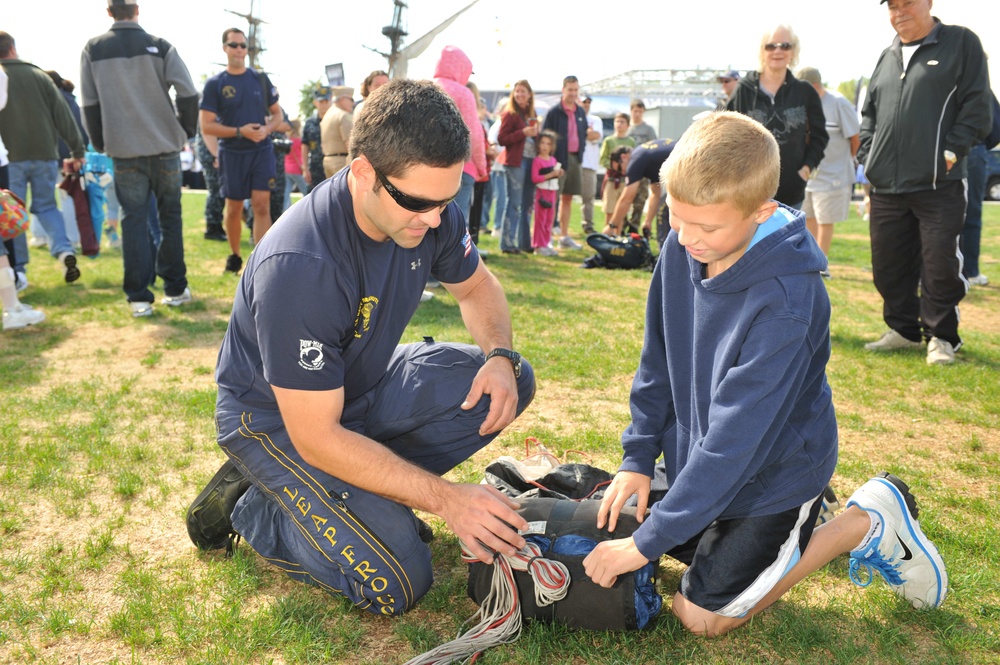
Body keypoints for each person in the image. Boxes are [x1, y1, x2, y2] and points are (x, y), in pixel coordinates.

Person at [581, 111, 948, 637]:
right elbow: (657, 360)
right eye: (676, 219)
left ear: (762, 211)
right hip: (704, 461)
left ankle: (861, 523)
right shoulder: (681, 245)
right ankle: (736, 539)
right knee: (615, 514)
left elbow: (734, 446)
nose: (686, 239)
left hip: (770, 477)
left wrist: (643, 546)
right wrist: (637, 458)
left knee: (702, 617)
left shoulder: (789, 302)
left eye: (706, 227)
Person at [185, 79, 536, 618]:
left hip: (357, 383)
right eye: (420, 203)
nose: (436, 219)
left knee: (510, 381)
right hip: (279, 420)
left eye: (448, 200)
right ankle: (256, 508)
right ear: (364, 172)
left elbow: (477, 286)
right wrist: (447, 501)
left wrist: (498, 356)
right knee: (398, 581)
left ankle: (367, 499)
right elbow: (317, 435)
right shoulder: (301, 265)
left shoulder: (427, 205)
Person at [858, 0, 991, 366]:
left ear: (929, 2)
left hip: (939, 183)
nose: (899, 11)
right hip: (886, 185)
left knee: (940, 265)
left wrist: (951, 151)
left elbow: (978, 106)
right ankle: (903, 330)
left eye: (908, 3)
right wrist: (868, 155)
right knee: (888, 265)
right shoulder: (887, 56)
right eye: (892, 6)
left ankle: (942, 338)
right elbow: (868, 114)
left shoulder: (960, 42)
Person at [81, 0, 199, 317]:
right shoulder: (160, 46)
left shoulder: (93, 48)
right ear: (137, 9)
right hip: (165, 147)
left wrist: (102, 142)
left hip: (123, 149)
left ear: (109, 12)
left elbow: (89, 103)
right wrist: (185, 131)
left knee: (133, 222)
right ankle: (174, 289)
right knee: (169, 219)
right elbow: (187, 92)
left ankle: (139, 298)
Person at [0, 31, 86, 285]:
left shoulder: (1, 77)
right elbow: (64, 116)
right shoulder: (39, 76)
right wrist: (77, 150)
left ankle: (19, 271)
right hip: (44, 154)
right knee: (47, 207)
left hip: (10, 157)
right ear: (13, 48)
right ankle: (64, 251)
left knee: (11, 213)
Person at [200, 27, 282, 275]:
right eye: (234, 45)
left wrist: (266, 130)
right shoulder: (215, 84)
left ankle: (262, 262)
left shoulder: (260, 79)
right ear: (224, 48)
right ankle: (235, 256)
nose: (239, 50)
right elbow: (207, 125)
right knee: (234, 208)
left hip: (261, 150)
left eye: (243, 45)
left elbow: (278, 114)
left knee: (261, 204)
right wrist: (240, 131)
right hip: (232, 153)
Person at [726, 25, 828, 210]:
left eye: (785, 45)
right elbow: (726, 136)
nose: (778, 51)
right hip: (749, 193)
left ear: (793, 51)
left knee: (787, 240)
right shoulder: (743, 91)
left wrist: (805, 171)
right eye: (771, 46)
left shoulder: (805, 92)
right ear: (762, 51)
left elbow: (820, 137)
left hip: (792, 193)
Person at [796, 66, 860, 277]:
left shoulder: (838, 102)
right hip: (810, 175)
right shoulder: (803, 103)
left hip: (834, 174)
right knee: (809, 218)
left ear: (814, 87)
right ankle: (813, 260)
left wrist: (846, 162)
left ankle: (821, 265)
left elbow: (855, 138)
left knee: (825, 219)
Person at [433, 46, 487, 226]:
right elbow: (474, 134)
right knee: (456, 222)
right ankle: (454, 255)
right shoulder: (464, 93)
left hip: (426, 166)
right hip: (461, 166)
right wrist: (481, 168)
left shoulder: (425, 87)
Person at [542, 76, 590, 250]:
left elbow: (583, 134)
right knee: (551, 199)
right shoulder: (554, 112)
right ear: (563, 90)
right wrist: (551, 161)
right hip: (557, 161)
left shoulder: (580, 112)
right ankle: (546, 238)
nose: (573, 93)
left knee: (568, 198)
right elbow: (545, 136)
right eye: (570, 89)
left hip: (575, 159)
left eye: (576, 90)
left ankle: (564, 236)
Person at [496, 79, 539, 255]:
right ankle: (507, 243)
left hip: (530, 161)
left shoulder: (531, 114)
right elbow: (502, 138)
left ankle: (523, 242)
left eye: (523, 91)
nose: (520, 94)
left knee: (527, 203)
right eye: (517, 91)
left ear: (529, 94)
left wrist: (536, 134)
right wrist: (523, 133)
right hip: (515, 163)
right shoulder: (510, 114)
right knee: (514, 203)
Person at [961, 91, 1000, 287]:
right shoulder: (979, 84)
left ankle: (968, 270)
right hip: (973, 150)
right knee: (971, 213)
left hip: (964, 150)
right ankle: (970, 271)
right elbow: (996, 128)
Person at [604, 138, 675, 245]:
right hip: (692, 162)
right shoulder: (646, 158)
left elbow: (626, 199)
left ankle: (667, 258)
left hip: (692, 165)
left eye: (620, 168)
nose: (623, 173)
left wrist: (612, 226)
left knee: (664, 213)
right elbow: (655, 194)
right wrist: (647, 222)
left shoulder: (635, 160)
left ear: (624, 157)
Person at [624, 98, 658, 232]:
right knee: (625, 198)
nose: (637, 114)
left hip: (643, 169)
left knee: (640, 199)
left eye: (640, 111)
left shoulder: (648, 129)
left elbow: (654, 146)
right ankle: (622, 226)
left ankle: (634, 226)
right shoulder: (627, 128)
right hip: (627, 167)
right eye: (635, 111)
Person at [598, 112, 636, 229]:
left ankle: (617, 237)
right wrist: (615, 166)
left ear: (628, 125)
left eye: (622, 122)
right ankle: (607, 237)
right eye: (617, 121)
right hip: (611, 179)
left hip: (625, 181)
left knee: (621, 212)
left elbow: (634, 158)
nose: (619, 124)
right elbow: (602, 159)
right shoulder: (609, 141)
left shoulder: (631, 141)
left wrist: (627, 168)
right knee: (609, 210)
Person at [531, 130, 563, 256]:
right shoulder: (537, 160)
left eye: (548, 144)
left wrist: (558, 173)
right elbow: (535, 178)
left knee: (549, 219)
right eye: (542, 143)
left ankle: (546, 243)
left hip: (552, 192)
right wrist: (550, 174)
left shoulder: (553, 160)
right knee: (540, 219)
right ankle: (538, 245)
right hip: (541, 193)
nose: (544, 146)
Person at [579, 93, 604, 234]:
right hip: (575, 161)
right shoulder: (574, 117)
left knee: (588, 196)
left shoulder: (596, 119)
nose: (586, 104)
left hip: (589, 163)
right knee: (566, 197)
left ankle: (587, 224)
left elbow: (596, 136)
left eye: (588, 102)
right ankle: (558, 225)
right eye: (584, 102)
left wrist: (582, 131)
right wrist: (587, 132)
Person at [197, 126, 226, 241]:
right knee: (215, 191)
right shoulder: (209, 109)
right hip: (211, 153)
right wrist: (216, 155)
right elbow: (207, 130)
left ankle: (217, 225)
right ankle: (212, 227)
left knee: (219, 192)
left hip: (214, 152)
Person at [301, 85, 331, 193]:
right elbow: (305, 146)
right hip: (315, 167)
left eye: (326, 101)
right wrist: (305, 168)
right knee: (312, 198)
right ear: (315, 103)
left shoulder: (336, 120)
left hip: (333, 167)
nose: (324, 104)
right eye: (321, 101)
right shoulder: (310, 123)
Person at [320, 87, 354, 178]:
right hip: (341, 163)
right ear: (342, 99)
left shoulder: (327, 115)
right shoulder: (343, 115)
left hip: (328, 161)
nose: (353, 103)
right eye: (351, 99)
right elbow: (350, 144)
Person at [283, 119, 306, 212]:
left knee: (286, 193)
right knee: (306, 191)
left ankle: (285, 211)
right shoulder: (299, 140)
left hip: (287, 168)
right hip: (297, 168)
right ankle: (307, 211)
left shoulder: (287, 140)